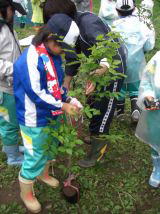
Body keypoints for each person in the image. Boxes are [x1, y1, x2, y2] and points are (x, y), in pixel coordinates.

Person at [43, 0, 126, 168]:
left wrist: (100, 71)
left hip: (111, 68)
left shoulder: (88, 23)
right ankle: (96, 134)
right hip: (95, 69)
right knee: (93, 102)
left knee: (104, 107)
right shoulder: (68, 30)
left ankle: (98, 151)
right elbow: (73, 58)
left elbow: (104, 49)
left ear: (64, 13)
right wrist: (66, 84)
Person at [14, 25, 81, 213]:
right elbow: (36, 93)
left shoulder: (52, 55)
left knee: (50, 145)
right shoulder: (30, 59)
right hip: (33, 118)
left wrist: (66, 98)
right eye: (62, 47)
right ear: (51, 41)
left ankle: (44, 173)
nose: (63, 53)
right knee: (35, 154)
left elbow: (56, 85)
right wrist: (63, 105)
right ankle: (26, 194)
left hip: (52, 113)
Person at [113, 0, 155, 123]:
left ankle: (119, 111)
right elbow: (149, 46)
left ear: (116, 10)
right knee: (135, 86)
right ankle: (135, 109)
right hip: (137, 62)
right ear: (134, 8)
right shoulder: (141, 25)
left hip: (119, 63)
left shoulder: (113, 26)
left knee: (119, 85)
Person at [0, 0, 26, 165]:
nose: (14, 14)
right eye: (12, 10)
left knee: (12, 120)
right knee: (9, 122)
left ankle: (11, 147)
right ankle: (13, 156)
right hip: (3, 88)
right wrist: (15, 69)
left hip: (12, 84)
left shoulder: (6, 27)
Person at [135, 51, 160, 188]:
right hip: (157, 114)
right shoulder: (157, 60)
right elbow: (147, 80)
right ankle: (158, 168)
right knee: (156, 139)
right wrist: (148, 96)